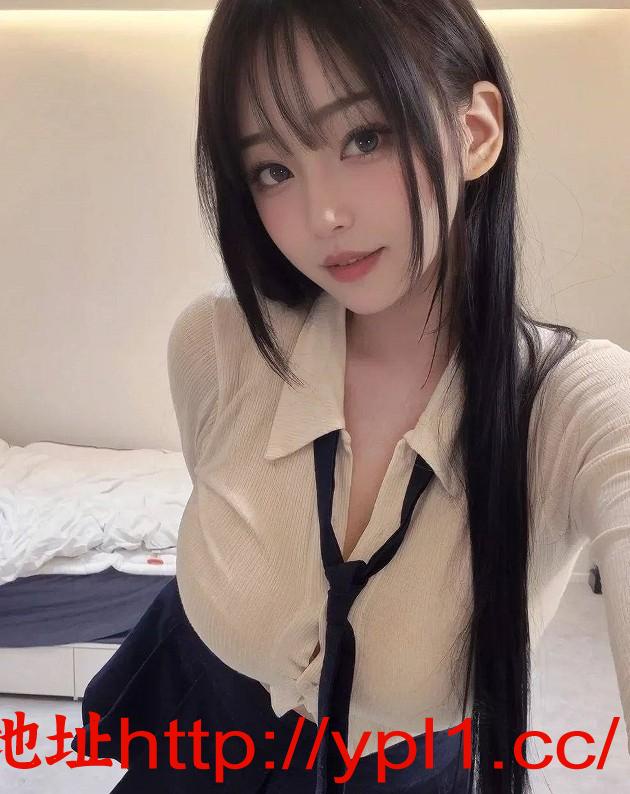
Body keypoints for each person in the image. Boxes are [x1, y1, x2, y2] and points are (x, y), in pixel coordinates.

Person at [73, 1, 630, 792]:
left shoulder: (571, 407)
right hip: (198, 753)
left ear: (476, 133)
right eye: (273, 170)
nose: (322, 215)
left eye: (364, 137)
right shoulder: (217, 345)